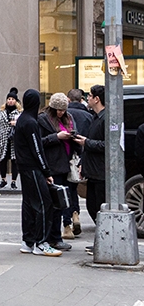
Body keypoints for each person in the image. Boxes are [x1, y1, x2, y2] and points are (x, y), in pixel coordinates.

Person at [14, 88, 61, 256]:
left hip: (24, 168)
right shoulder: (31, 122)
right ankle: (41, 242)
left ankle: (28, 241)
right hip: (32, 168)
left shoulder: (22, 120)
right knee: (44, 203)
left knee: (28, 204)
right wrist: (46, 171)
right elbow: (37, 149)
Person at [37, 92, 78, 247]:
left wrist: (73, 136)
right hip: (53, 165)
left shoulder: (69, 118)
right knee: (54, 204)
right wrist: (57, 137)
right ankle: (53, 237)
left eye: (63, 110)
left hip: (65, 164)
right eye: (58, 110)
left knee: (62, 203)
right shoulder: (43, 120)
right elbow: (39, 142)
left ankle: (55, 236)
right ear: (52, 108)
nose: (61, 113)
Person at [73, 84, 106, 231]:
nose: (88, 99)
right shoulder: (95, 117)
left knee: (99, 206)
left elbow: (108, 145)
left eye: (90, 96)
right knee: (92, 205)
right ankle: (102, 236)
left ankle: (104, 237)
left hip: (101, 170)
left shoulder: (106, 118)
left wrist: (86, 142)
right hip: (93, 170)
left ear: (97, 99)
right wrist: (82, 162)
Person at [65, 88, 93, 234]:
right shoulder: (88, 116)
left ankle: (67, 223)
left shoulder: (65, 115)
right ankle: (75, 213)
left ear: (68, 100)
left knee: (65, 189)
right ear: (81, 99)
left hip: (65, 157)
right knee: (74, 188)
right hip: (81, 157)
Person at [0, 87, 21, 189]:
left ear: (16, 101)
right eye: (9, 99)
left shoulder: (19, 113)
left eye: (12, 99)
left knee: (14, 161)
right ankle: (3, 179)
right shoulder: (1, 112)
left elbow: (23, 125)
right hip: (3, 140)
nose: (10, 101)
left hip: (14, 140)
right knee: (3, 160)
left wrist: (16, 123)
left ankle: (13, 181)